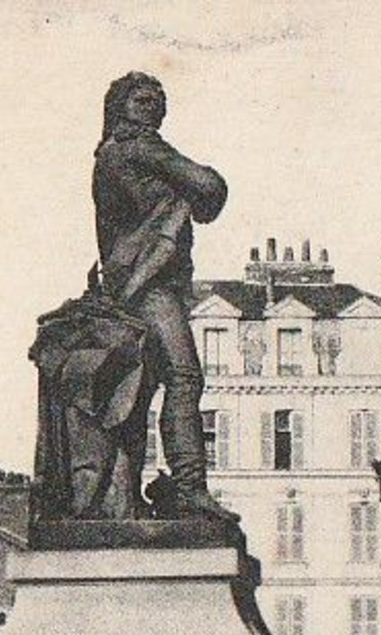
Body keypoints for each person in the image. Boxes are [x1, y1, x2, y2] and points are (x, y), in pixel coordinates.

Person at [91, 72, 235, 522]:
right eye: (141, 100)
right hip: (146, 284)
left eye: (157, 101)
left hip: (142, 281)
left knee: (145, 386)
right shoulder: (138, 147)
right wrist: (192, 190)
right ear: (120, 107)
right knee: (184, 376)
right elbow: (209, 189)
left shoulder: (115, 153)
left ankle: (128, 492)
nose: (151, 108)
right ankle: (190, 487)